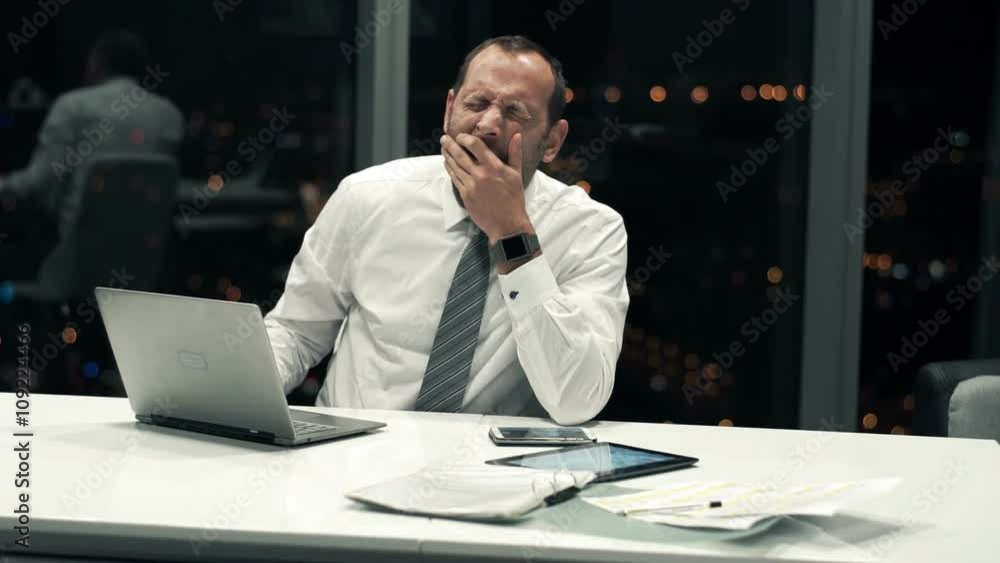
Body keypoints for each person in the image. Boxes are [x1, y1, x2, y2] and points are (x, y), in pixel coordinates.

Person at [264, 35, 628, 425]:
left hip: (488, 471)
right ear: (450, 110)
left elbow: (577, 399)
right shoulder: (367, 196)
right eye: (476, 104)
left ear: (553, 141)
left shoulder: (591, 231)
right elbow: (296, 333)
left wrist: (511, 234)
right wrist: (230, 400)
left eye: (515, 112)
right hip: (350, 452)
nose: (487, 125)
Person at [0, 29, 184, 242]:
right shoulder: (170, 115)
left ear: (97, 63)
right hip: (148, 259)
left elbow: (38, 182)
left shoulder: (72, 105)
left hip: (78, 258)